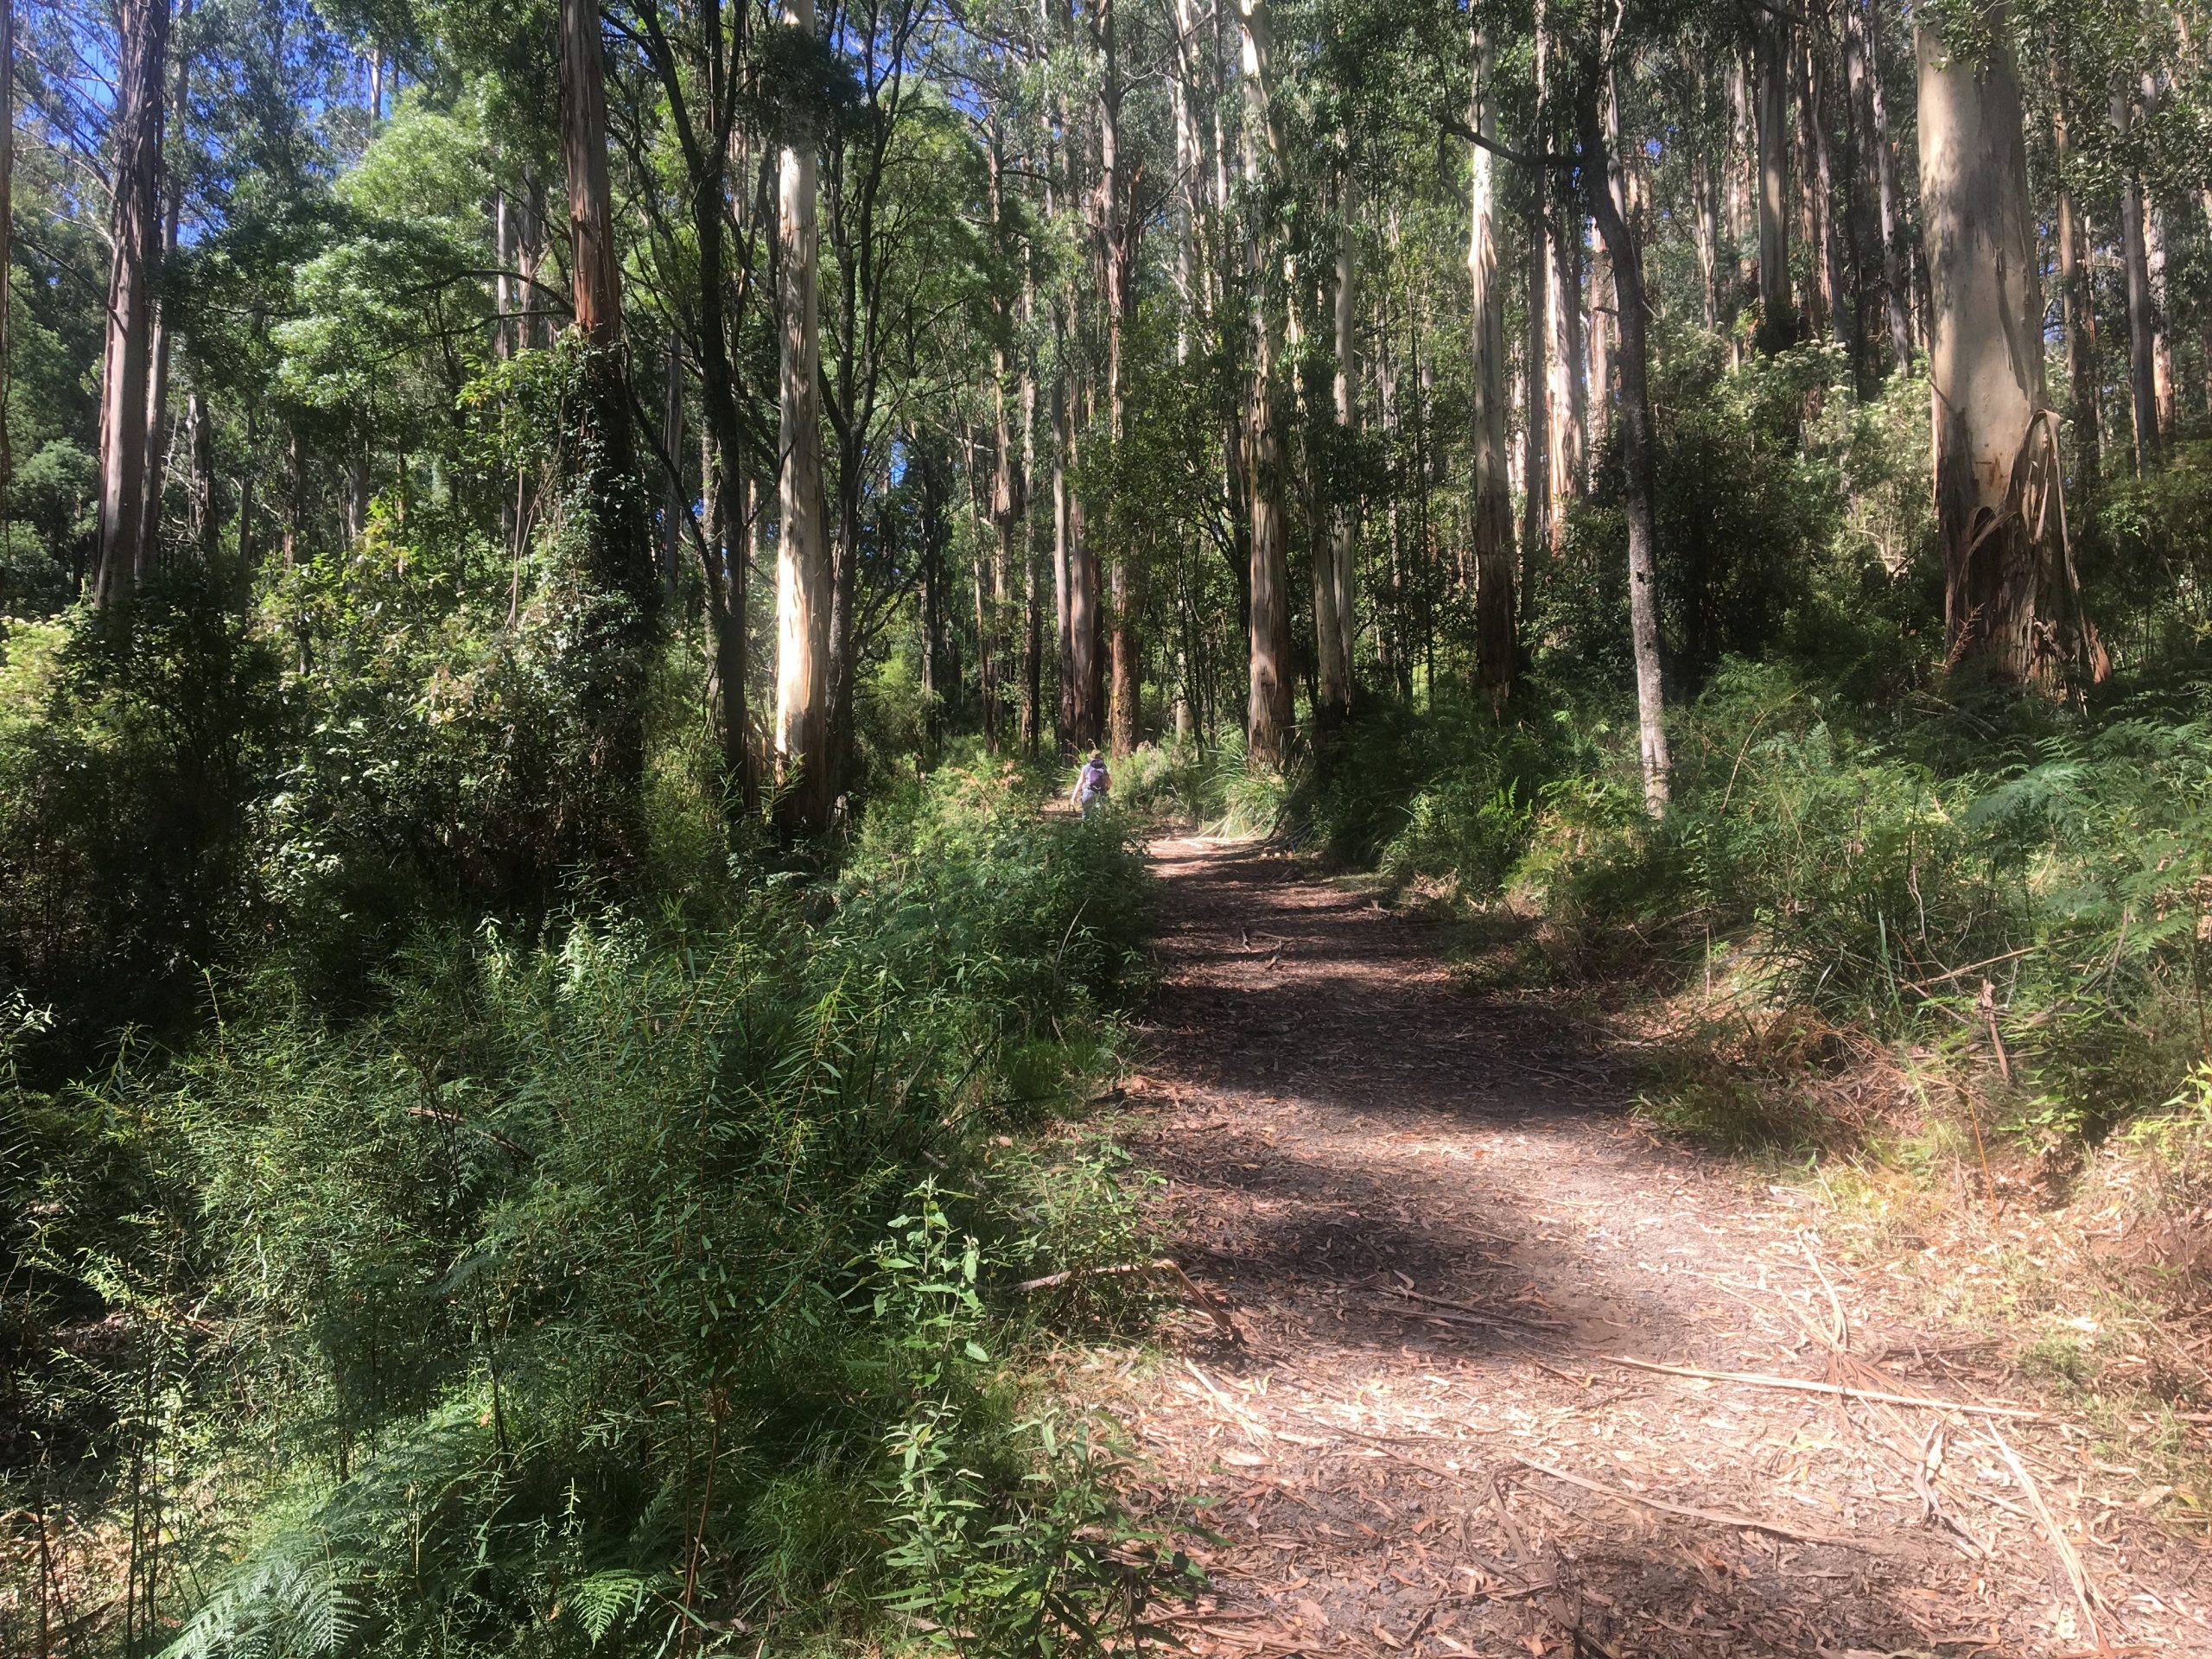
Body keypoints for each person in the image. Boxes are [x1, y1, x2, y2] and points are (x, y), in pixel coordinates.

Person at [1072, 749, 1110, 818]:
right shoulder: (1103, 768)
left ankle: (1086, 828)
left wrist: (1074, 796)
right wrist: (1107, 789)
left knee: (1086, 816)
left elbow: (1080, 782)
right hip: (1101, 793)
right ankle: (1098, 828)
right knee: (1100, 817)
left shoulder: (1086, 767)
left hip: (1088, 793)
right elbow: (1109, 783)